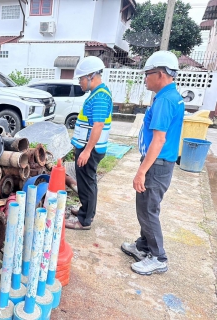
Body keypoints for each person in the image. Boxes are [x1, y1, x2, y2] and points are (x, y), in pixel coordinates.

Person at [121, 50, 184, 275]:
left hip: (156, 165)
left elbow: (159, 140)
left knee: (148, 211)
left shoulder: (165, 100)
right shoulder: (170, 96)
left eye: (147, 74)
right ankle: (144, 245)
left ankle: (158, 257)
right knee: (146, 207)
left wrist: (141, 171)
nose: (145, 78)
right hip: (159, 163)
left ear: (160, 74)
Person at [65, 56, 113, 230]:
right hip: (87, 147)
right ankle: (86, 211)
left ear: (91, 76)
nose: (80, 82)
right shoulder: (97, 94)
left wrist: (87, 150)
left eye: (81, 78)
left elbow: (98, 125)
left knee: (87, 182)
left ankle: (84, 220)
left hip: (90, 149)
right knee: (86, 181)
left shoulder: (100, 96)